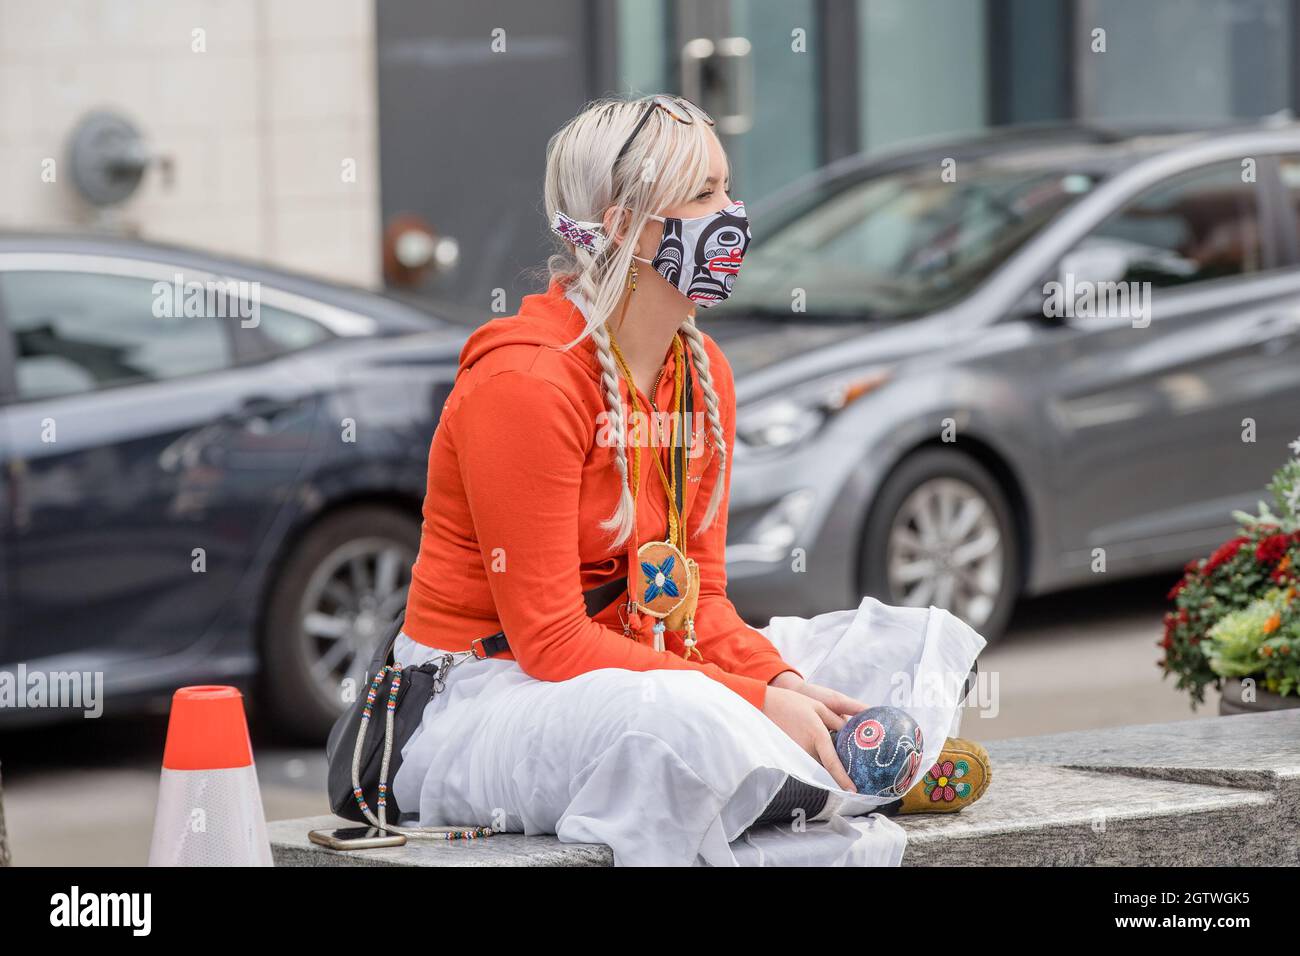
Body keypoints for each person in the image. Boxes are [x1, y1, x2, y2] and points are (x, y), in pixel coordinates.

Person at [392, 94, 988, 866]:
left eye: (727, 188)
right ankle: (837, 773)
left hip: (636, 661)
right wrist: (752, 701)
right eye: (705, 194)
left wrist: (780, 682)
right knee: (674, 721)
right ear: (622, 227)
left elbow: (698, 597)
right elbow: (549, 644)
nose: (733, 213)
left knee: (892, 648)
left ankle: (818, 762)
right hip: (480, 700)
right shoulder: (527, 383)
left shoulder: (704, 372)